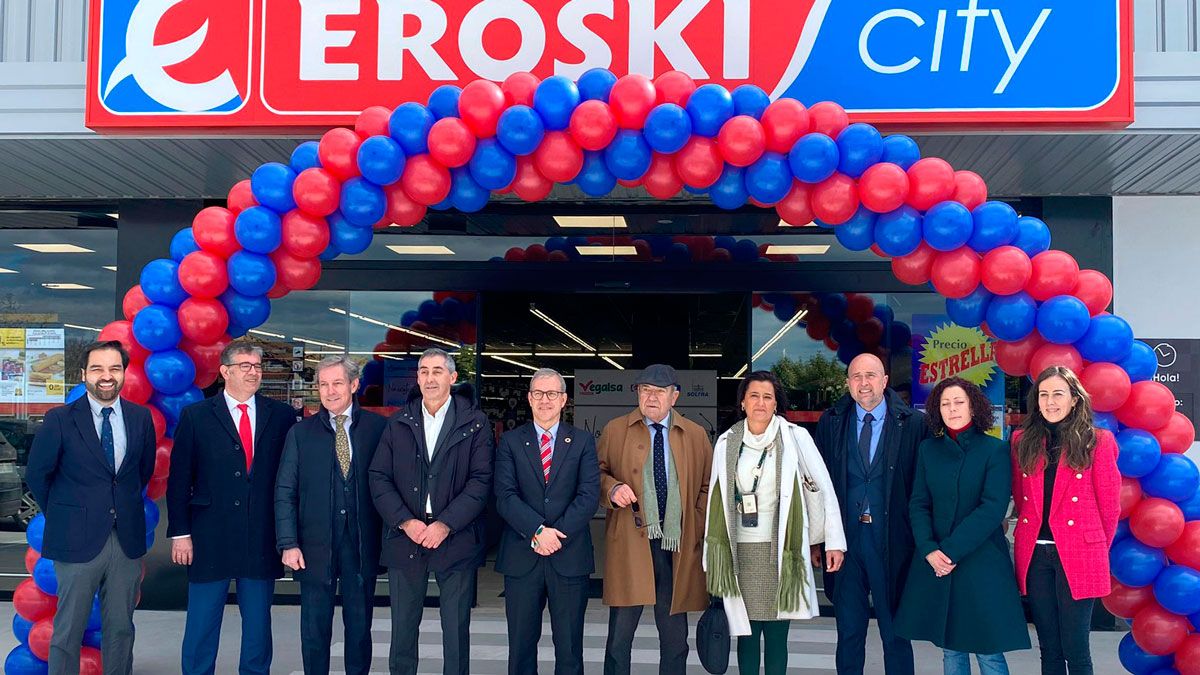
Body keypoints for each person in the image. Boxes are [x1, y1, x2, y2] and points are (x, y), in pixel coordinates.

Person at [166, 341, 297, 675]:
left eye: (257, 366)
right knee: (201, 625)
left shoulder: (280, 416)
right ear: (225, 371)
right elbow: (180, 479)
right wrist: (180, 533)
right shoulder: (196, 415)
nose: (253, 372)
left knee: (257, 628)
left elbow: (290, 478)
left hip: (261, 536)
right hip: (209, 536)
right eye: (245, 366)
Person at [703, 371, 846, 675]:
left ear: (776, 404)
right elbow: (716, 500)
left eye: (768, 397)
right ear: (743, 402)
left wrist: (832, 540)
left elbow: (823, 487)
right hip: (738, 551)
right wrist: (710, 558)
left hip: (780, 550)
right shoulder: (726, 442)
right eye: (754, 395)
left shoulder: (795, 436)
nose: (760, 402)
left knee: (778, 636)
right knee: (746, 633)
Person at [25, 341, 156, 675]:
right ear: (83, 374)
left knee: (121, 628)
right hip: (75, 540)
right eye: (97, 369)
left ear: (124, 374)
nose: (106, 376)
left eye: (114, 368)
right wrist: (67, 516)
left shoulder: (141, 419)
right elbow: (39, 475)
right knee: (68, 629)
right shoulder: (59, 419)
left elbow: (141, 472)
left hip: (125, 540)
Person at [369, 347, 493, 675]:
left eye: (437, 371)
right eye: (423, 371)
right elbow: (378, 476)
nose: (429, 378)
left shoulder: (475, 423)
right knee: (403, 632)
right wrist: (405, 521)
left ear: (452, 378)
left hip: (456, 538)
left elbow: (481, 482)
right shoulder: (398, 422)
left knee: (455, 631)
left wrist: (446, 524)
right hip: (406, 537)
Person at [894, 376, 1030, 674]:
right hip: (938, 561)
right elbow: (918, 504)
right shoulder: (928, 450)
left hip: (980, 562)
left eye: (959, 402)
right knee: (951, 650)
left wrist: (950, 552)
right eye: (945, 403)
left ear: (973, 407)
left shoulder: (995, 450)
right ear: (936, 410)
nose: (952, 409)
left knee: (989, 651)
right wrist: (930, 550)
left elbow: (992, 508)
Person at [813, 353, 927, 675]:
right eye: (856, 377)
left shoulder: (912, 424)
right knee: (849, 632)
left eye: (871, 376)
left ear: (885, 380)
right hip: (845, 543)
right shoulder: (831, 421)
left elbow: (922, 487)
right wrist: (818, 539)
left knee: (896, 634)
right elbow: (817, 486)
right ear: (848, 383)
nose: (864, 383)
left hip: (893, 542)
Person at [274, 356, 387, 675]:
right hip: (313, 546)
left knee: (359, 627)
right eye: (323, 384)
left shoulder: (378, 429)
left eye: (337, 383)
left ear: (354, 385)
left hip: (361, 545)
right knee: (314, 629)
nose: (330, 391)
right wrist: (288, 542)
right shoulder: (301, 434)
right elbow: (285, 490)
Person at [598, 364, 713, 675]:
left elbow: (707, 485)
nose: (651, 397)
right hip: (631, 543)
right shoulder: (615, 430)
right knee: (620, 635)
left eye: (659, 391)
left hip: (675, 546)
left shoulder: (695, 434)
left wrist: (696, 523)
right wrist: (613, 488)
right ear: (637, 393)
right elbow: (597, 474)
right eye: (645, 390)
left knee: (675, 636)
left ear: (674, 397)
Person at [1012, 366, 1120, 675]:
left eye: (1058, 394)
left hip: (1080, 553)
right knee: (1049, 648)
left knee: (1076, 648)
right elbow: (1022, 499)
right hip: (1036, 555)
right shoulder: (1022, 440)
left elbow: (1109, 508)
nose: (1050, 401)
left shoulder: (1098, 441)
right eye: (1043, 395)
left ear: (1074, 399)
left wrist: (1093, 547)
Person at [494, 368, 599, 675]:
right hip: (521, 556)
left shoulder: (581, 442)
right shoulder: (511, 442)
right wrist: (538, 531)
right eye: (538, 393)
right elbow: (505, 495)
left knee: (569, 650)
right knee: (521, 649)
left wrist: (556, 534)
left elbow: (588, 495)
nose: (545, 400)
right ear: (528, 398)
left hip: (569, 556)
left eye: (552, 393)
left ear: (564, 399)